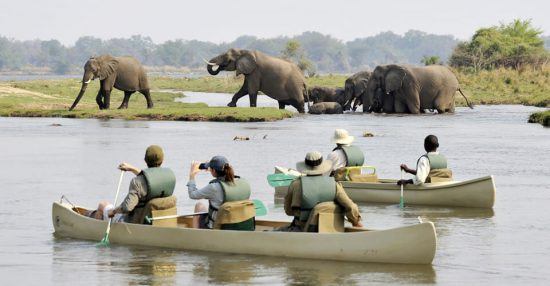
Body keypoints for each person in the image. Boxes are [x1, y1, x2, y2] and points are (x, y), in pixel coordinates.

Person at [93, 145, 176, 223]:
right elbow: (148, 180)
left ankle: (96, 230)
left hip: (135, 221)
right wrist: (132, 168)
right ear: (162, 160)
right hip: (160, 220)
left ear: (145, 160)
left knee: (102, 205)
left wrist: (113, 211)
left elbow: (127, 208)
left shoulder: (137, 182)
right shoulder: (169, 179)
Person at [282, 151, 363, 232]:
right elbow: (351, 207)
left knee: (276, 231)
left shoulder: (295, 184)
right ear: (321, 165)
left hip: (303, 229)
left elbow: (288, 211)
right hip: (332, 229)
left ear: (305, 166)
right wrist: (355, 222)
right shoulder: (334, 185)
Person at [187, 156, 252, 229]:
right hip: (238, 225)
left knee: (199, 206)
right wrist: (213, 170)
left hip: (218, 227)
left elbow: (192, 194)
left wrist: (192, 176)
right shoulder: (243, 182)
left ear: (213, 171)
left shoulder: (214, 187)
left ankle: (197, 236)